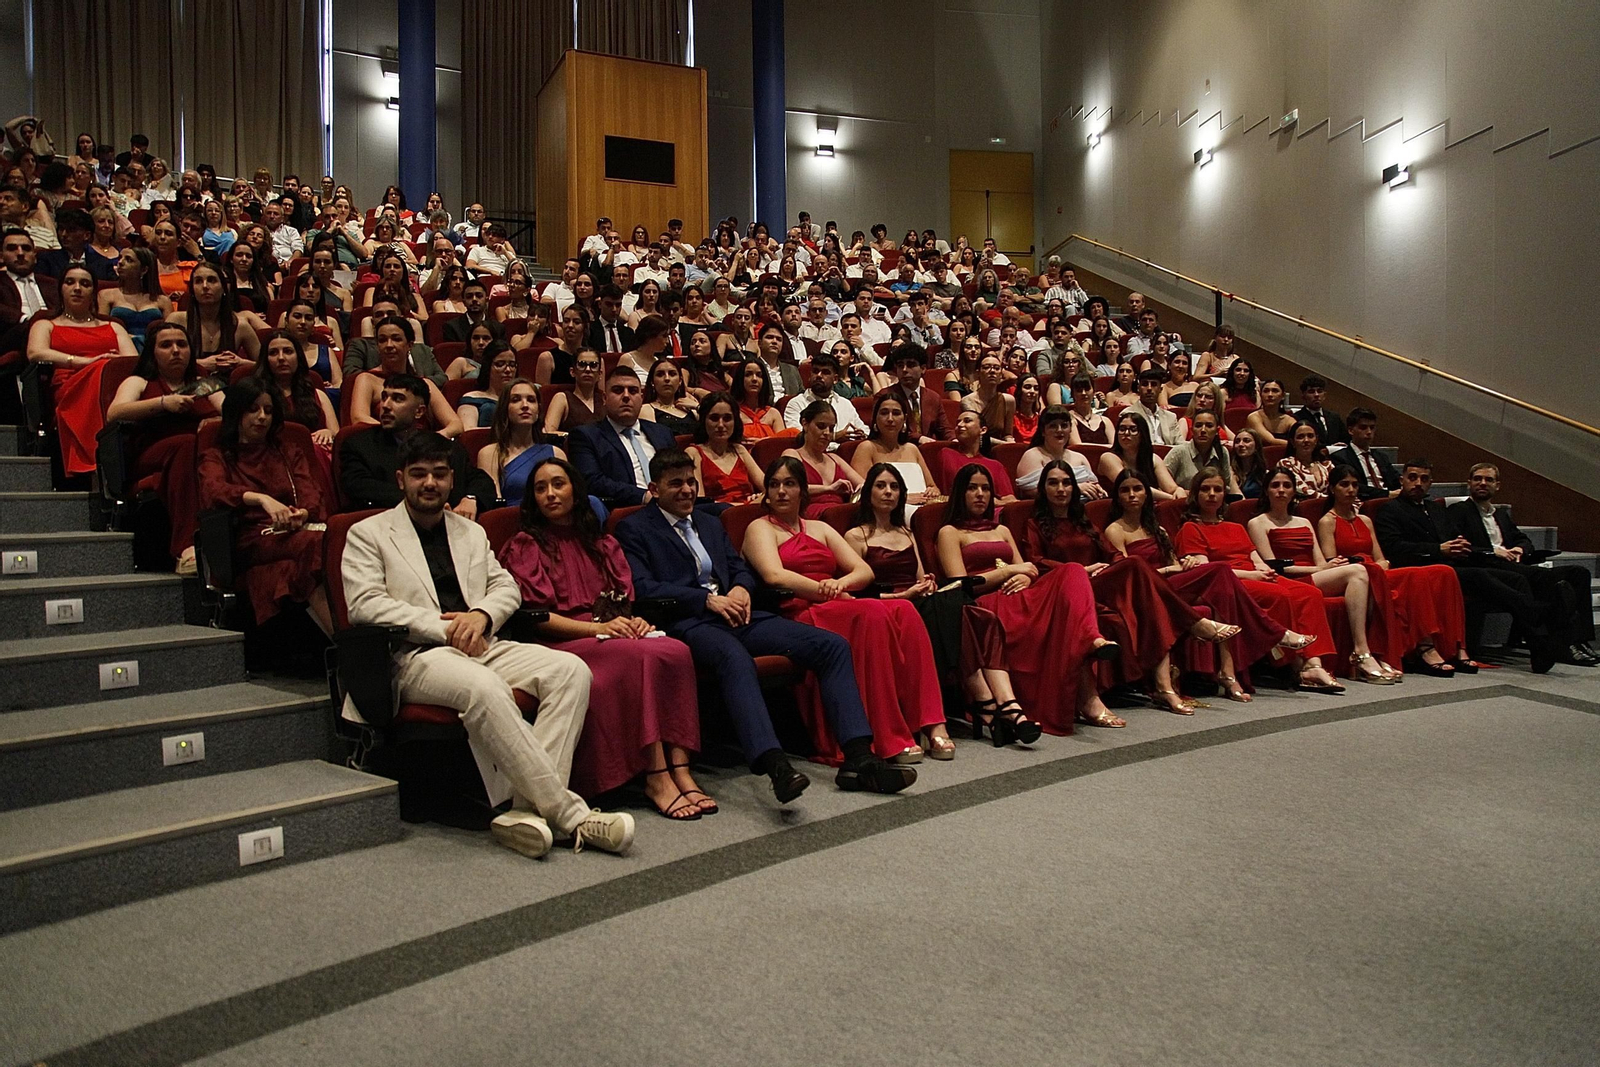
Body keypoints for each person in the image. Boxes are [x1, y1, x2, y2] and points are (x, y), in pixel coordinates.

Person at [341, 432, 633, 857]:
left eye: (440, 475)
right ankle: (572, 816)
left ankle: (526, 813)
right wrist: (444, 629)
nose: (430, 483)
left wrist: (481, 616)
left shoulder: (470, 532)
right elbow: (365, 605)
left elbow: (506, 588)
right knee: (484, 687)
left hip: (481, 641)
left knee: (570, 671)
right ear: (401, 479)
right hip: (413, 654)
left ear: (451, 481)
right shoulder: (368, 533)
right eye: (419, 474)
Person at [616, 449, 916, 801]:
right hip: (689, 621)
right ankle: (775, 764)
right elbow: (643, 586)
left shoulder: (710, 522)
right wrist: (706, 599)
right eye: (675, 484)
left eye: (690, 482)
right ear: (653, 488)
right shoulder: (634, 527)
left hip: (739, 614)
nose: (686, 490)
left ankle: (859, 759)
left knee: (831, 646)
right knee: (735, 658)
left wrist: (742, 588)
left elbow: (738, 568)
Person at [496, 458, 708, 816]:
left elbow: (621, 600)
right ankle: (657, 775)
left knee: (675, 651)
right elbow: (537, 618)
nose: (550, 494)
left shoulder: (599, 541)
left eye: (558, 484)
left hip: (611, 630)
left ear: (575, 490)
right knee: (637, 657)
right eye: (541, 487)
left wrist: (633, 622)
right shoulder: (526, 544)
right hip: (564, 639)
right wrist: (600, 629)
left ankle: (682, 769)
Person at [743, 457, 947, 764]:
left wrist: (838, 586)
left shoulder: (820, 528)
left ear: (802, 492)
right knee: (872, 612)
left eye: (790, 484)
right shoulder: (759, 528)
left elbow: (862, 571)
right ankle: (884, 732)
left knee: (905, 609)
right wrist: (824, 590)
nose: (782, 491)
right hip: (796, 613)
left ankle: (932, 723)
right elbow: (774, 576)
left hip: (832, 602)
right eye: (774, 485)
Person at [1025, 460, 1246, 713]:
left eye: (1066, 483)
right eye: (1053, 483)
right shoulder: (1036, 524)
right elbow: (1036, 562)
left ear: (1075, 488)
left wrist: (1111, 568)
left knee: (1136, 567)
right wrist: (1080, 570)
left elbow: (1114, 557)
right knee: (1136, 564)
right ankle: (1194, 624)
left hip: (1100, 582)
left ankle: (1167, 684)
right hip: (1069, 587)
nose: (1061, 489)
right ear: (1043, 489)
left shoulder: (1083, 522)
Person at [844, 462, 1026, 751]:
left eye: (894, 487)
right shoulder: (855, 536)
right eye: (881, 486)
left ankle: (991, 703)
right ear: (868, 492)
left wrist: (926, 584)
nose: (888, 492)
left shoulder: (906, 532)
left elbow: (919, 577)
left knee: (966, 609)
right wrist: (905, 596)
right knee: (959, 608)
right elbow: (858, 590)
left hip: (917, 599)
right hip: (883, 605)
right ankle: (990, 704)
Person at [938, 462, 1123, 732]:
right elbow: (960, 584)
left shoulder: (1001, 530)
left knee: (1073, 571)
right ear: (960, 494)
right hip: (987, 600)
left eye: (986, 489)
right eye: (972, 488)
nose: (980, 494)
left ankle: (1091, 637)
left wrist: (1026, 576)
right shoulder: (950, 532)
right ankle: (1088, 692)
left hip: (1021, 592)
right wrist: (1010, 572)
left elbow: (1029, 568)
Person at [1103, 468, 1310, 701]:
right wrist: (1173, 568)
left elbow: (1174, 563)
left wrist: (1185, 564)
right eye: (1125, 490)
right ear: (1117, 496)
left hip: (1169, 586)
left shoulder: (1157, 529)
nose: (1132, 495)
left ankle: (1228, 671)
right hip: (1144, 592)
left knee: (1221, 582)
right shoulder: (1115, 530)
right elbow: (1127, 576)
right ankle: (1268, 638)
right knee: (1220, 572)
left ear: (1146, 495)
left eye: (1138, 489)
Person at [1375, 459, 1565, 672]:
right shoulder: (1389, 510)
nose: (1418, 483)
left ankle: (1538, 646)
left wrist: (1460, 545)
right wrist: (1440, 549)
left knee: (1517, 579)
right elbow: (1394, 548)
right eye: (1412, 478)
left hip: (1452, 564)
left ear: (1430, 484)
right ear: (1402, 480)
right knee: (1479, 576)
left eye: (1424, 479)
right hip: (1421, 568)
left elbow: (1452, 537)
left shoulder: (1435, 509)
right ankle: (1540, 615)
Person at [1173, 467, 1343, 691]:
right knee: (1280, 594)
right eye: (1206, 489)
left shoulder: (1235, 527)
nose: (1212, 494)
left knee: (1309, 593)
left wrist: (1266, 572)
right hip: (1230, 582)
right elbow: (1207, 572)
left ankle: (1314, 664)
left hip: (1254, 575)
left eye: (1217, 489)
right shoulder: (1190, 528)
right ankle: (1291, 664)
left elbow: (1256, 558)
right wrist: (1254, 575)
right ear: (1195, 495)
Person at [197, 380, 332, 632]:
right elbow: (212, 491)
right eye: (253, 410)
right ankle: (350, 648)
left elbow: (310, 492)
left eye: (268, 411)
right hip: (251, 538)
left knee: (326, 547)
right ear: (237, 412)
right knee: (319, 544)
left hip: (295, 530)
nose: (262, 417)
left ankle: (350, 641)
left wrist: (301, 513)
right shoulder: (217, 456)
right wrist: (259, 498)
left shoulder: (288, 451)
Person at [1248, 467, 1401, 684]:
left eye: (1287, 486)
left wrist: (1329, 566)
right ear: (1266, 491)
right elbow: (1276, 567)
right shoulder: (1258, 523)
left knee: (1362, 571)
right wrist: (1320, 570)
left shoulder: (1304, 522)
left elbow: (1320, 561)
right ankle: (1362, 652)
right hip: (1289, 579)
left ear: (1294, 492)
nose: (1281, 490)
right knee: (1357, 571)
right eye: (1275, 485)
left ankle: (1363, 650)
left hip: (1314, 574)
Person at [1318, 465, 1471, 676]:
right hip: (1356, 573)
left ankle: (1455, 645)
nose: (1351, 490)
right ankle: (1425, 647)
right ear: (1333, 489)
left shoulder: (1365, 520)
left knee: (1443, 571)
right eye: (1344, 485)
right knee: (1415, 575)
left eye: (1354, 485)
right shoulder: (1327, 521)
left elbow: (1381, 558)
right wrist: (1370, 568)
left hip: (1377, 570)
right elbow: (1334, 562)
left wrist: (1380, 566)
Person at [1446, 463, 1597, 666]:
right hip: (1487, 566)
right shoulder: (1459, 510)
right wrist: (1493, 551)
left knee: (1578, 573)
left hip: (1513, 564)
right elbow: (1456, 544)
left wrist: (1520, 550)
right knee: (1557, 584)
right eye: (1478, 479)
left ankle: (1579, 640)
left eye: (1488, 480)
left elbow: (1523, 539)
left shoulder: (1499, 514)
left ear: (1497, 486)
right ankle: (1563, 642)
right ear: (1469, 483)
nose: (1482, 483)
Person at [106, 323, 223, 572]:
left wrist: (216, 421)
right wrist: (161, 403)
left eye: (182, 344)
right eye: (166, 345)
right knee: (185, 444)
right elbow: (114, 413)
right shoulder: (138, 381)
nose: (176, 351)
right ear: (152, 353)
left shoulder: (205, 383)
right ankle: (186, 548)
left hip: (203, 457)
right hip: (152, 454)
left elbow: (235, 415)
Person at [568, 365, 679, 510]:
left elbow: (679, 471)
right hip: (629, 510)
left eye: (633, 391)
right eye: (618, 390)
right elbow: (592, 482)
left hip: (673, 507)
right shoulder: (586, 436)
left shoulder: (662, 432)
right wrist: (643, 496)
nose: (626, 396)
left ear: (641, 397)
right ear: (604, 398)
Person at [347, 316, 462, 434]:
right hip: (383, 445)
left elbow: (455, 424)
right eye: (382, 340)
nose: (389, 345)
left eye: (396, 339)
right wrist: (399, 435)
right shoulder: (367, 379)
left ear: (410, 345)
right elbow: (359, 418)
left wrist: (430, 441)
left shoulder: (425, 384)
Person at [476, 377, 567, 507]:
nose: (525, 405)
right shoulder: (490, 453)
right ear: (505, 408)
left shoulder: (556, 453)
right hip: (512, 520)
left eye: (531, 400)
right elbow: (495, 503)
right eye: (516, 400)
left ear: (538, 409)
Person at [849, 392, 940, 517]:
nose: (890, 419)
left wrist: (932, 491)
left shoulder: (912, 449)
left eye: (896, 413)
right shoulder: (866, 448)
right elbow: (863, 493)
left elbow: (933, 486)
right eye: (884, 413)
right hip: (885, 514)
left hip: (922, 510)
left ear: (904, 419)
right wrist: (901, 499)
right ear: (875, 419)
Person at [252, 330, 337, 449]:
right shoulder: (255, 396)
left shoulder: (318, 395)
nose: (281, 358)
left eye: (288, 351)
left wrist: (328, 433)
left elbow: (337, 434)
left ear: (298, 356)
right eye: (273, 353)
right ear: (265, 359)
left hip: (315, 454)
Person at [782, 401, 863, 516]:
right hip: (811, 519)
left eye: (831, 428)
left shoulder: (835, 458)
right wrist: (828, 489)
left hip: (842, 515)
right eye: (821, 426)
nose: (827, 433)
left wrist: (861, 489)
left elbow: (864, 484)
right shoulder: (792, 454)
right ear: (805, 424)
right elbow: (790, 488)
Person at [1014, 405, 1107, 500]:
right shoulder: (1032, 455)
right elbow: (1033, 492)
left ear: (1071, 429)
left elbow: (1092, 486)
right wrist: (1076, 488)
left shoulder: (1080, 458)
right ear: (1043, 431)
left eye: (1064, 425)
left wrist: (1097, 490)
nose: (1059, 430)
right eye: (1053, 426)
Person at [687, 392, 763, 506]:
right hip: (716, 517)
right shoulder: (693, 453)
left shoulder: (739, 450)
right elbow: (700, 503)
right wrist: (749, 505)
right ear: (704, 421)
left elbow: (771, 488)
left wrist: (759, 497)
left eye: (727, 418)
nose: (721, 425)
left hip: (750, 513)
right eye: (714, 418)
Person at [1098, 410, 1183, 500]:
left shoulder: (1153, 458)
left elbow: (1171, 488)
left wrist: (1178, 490)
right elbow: (1133, 487)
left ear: (1142, 434)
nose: (1126, 433)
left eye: (1133, 429)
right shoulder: (1108, 458)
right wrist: (1171, 498)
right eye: (1122, 429)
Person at [97, 247, 171, 348]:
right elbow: (102, 331)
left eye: (129, 260)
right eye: (120, 258)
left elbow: (171, 335)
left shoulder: (163, 301)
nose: (120, 262)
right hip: (119, 349)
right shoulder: (106, 295)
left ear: (144, 270)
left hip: (153, 351)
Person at [781, 351, 868, 435]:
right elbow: (798, 437)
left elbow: (864, 430)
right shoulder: (796, 403)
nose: (819, 375)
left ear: (835, 379)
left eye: (825, 372)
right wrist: (834, 437)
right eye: (815, 371)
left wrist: (861, 434)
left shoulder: (845, 404)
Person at [1165, 410, 1241, 497]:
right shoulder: (1178, 452)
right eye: (1198, 426)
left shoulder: (1222, 452)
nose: (1203, 430)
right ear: (1192, 429)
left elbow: (1225, 485)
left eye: (1209, 426)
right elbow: (1161, 484)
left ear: (1217, 430)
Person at [1328, 408, 1398, 500]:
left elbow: (1395, 480)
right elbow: (1355, 487)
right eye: (1363, 427)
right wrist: (1387, 494)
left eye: (1372, 428)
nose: (1369, 432)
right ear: (1350, 430)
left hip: (1391, 501)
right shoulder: (1340, 457)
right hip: (1363, 502)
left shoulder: (1381, 457)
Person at [456, 342, 519, 430]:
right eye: (500, 364)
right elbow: (468, 432)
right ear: (488, 366)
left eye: (512, 365)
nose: (508, 370)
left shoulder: (524, 399)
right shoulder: (472, 398)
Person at [542, 348, 604, 434]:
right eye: (582, 364)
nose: (588, 369)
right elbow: (548, 432)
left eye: (593, 365)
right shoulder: (562, 398)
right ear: (572, 372)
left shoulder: (605, 399)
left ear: (600, 373)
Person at [729, 357, 789, 439]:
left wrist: (761, 442)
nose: (754, 379)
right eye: (748, 374)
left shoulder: (773, 413)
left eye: (759, 375)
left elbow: (780, 444)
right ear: (740, 379)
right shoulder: (732, 412)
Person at [639, 356, 699, 436]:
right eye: (660, 374)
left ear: (680, 381)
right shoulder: (646, 409)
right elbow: (656, 442)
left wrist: (698, 407)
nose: (667, 378)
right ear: (652, 382)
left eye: (672, 374)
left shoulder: (690, 408)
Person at [1123, 368, 1181, 446]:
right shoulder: (1127, 414)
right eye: (1145, 384)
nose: (1149, 388)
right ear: (1138, 388)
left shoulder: (1171, 417)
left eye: (1154, 384)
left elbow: (1180, 444)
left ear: (1160, 389)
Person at [1281, 420, 1333, 498]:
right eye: (1300, 437)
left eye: (1310, 436)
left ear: (1316, 440)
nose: (1306, 440)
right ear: (1292, 442)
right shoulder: (1286, 464)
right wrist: (1333, 500)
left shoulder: (1327, 464)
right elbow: (1303, 491)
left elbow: (1338, 487)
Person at [1296, 375, 1347, 446]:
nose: (1316, 395)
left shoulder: (1334, 417)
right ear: (1303, 396)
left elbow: (1345, 439)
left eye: (1319, 391)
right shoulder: (1297, 418)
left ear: (1324, 395)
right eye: (1311, 392)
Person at [1244, 378, 1296, 447]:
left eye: (1275, 391)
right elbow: (1270, 441)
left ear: (1283, 396)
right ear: (1260, 394)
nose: (1270, 395)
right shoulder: (1254, 417)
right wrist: (1296, 445)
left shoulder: (1289, 420)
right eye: (1266, 391)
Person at [1230, 428, 1270, 500]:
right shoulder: (1230, 472)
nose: (1241, 444)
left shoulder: (1265, 474)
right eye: (1237, 441)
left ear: (1256, 446)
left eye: (1246, 441)